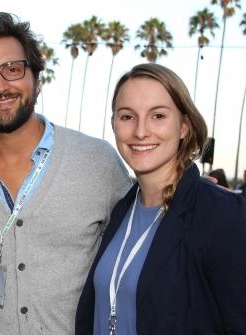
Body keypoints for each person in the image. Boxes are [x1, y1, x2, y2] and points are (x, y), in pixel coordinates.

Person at [0, 12, 131, 335]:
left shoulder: (98, 162)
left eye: (13, 69)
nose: (0, 86)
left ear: (36, 78)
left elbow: (132, 255)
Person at [75, 63, 246, 334]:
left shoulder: (221, 214)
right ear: (114, 125)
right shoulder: (120, 209)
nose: (141, 131)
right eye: (127, 116)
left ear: (184, 127)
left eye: (158, 116)